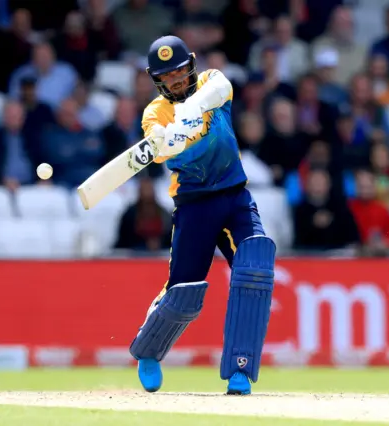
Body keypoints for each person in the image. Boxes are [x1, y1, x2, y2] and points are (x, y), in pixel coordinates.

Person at [129, 35, 275, 396]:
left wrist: (191, 112)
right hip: (194, 205)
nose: (176, 80)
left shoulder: (211, 82)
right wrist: (171, 138)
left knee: (255, 268)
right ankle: (149, 350)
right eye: (167, 75)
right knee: (184, 292)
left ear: (191, 65)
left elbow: (222, 87)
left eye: (180, 70)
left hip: (234, 197)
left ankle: (240, 369)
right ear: (156, 79)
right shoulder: (154, 113)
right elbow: (160, 150)